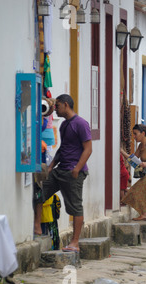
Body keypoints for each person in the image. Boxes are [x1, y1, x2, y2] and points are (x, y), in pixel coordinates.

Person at [34, 94, 92, 253]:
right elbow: (63, 148)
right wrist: (52, 165)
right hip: (60, 170)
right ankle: (37, 227)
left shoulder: (80, 124)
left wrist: (77, 168)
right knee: (39, 192)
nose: (55, 110)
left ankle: (75, 242)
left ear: (66, 105)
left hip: (74, 172)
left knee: (75, 207)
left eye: (57, 106)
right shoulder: (64, 125)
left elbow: (88, 149)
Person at [121, 124, 146, 221]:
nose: (134, 136)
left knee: (137, 191)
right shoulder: (141, 145)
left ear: (142, 133)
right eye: (133, 134)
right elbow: (133, 160)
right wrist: (122, 151)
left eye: (135, 134)